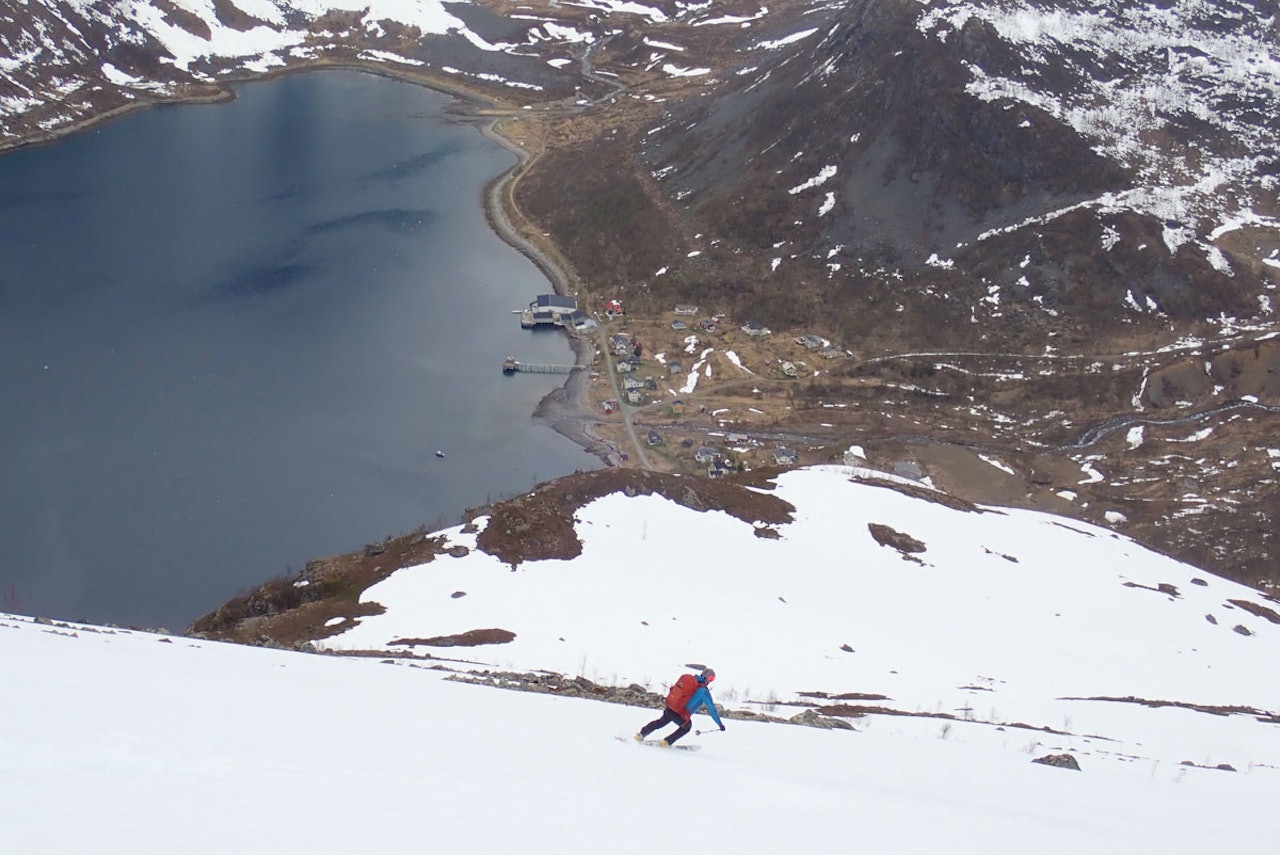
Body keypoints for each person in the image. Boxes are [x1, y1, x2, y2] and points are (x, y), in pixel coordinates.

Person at [636, 667, 725, 746]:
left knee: (660, 723)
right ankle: (667, 741)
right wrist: (720, 725)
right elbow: (712, 710)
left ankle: (641, 734)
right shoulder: (703, 691)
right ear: (707, 677)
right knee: (687, 727)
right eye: (711, 678)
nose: (710, 681)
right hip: (680, 713)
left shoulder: (689, 681)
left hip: (671, 707)